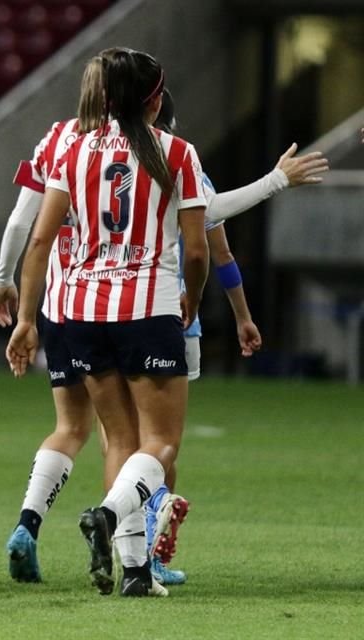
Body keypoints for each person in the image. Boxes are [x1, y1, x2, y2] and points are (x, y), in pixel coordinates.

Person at [8, 48, 208, 597]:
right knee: (160, 443)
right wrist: (192, 296)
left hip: (81, 313)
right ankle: (107, 513)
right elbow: (196, 250)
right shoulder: (177, 153)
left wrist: (28, 317)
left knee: (118, 439)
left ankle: (136, 572)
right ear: (155, 100)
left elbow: (41, 240)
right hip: (147, 308)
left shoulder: (72, 151)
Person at [142, 89, 329, 586]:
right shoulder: (185, 169)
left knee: (123, 438)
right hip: (179, 316)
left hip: (112, 313)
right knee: (162, 442)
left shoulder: (99, 163)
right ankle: (147, 548)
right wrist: (242, 316)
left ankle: (135, 529)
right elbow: (213, 248)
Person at [0, 53, 113, 584]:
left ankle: (27, 527)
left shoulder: (56, 138)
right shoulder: (139, 146)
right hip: (114, 303)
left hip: (59, 305)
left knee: (69, 427)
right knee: (122, 433)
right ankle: (132, 551)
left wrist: (4, 280)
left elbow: (24, 219)